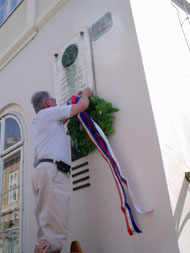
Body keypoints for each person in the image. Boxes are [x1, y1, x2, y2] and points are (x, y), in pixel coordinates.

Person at [30, 88, 92, 253]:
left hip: (44, 172)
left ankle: (41, 249)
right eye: (53, 98)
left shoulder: (42, 120)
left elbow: (63, 118)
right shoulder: (48, 114)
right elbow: (84, 105)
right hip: (53, 172)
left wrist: (74, 99)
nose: (55, 99)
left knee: (48, 226)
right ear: (48, 103)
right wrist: (86, 93)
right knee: (54, 232)